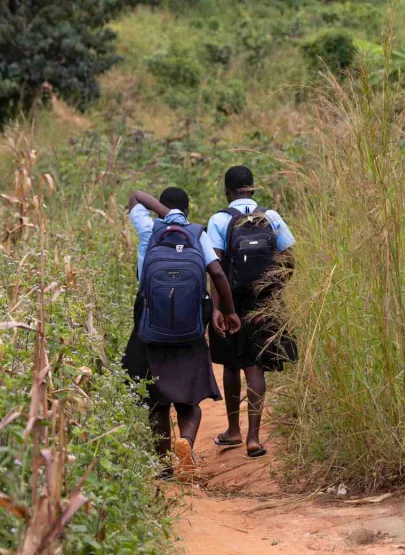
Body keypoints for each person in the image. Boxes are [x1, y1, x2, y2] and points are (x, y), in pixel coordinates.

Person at [121, 187, 241, 478]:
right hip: (189, 330)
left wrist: (163, 214)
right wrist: (228, 310)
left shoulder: (149, 229)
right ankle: (185, 441)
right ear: (187, 209)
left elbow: (136, 196)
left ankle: (164, 469)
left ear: (163, 208)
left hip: (150, 328)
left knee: (155, 402)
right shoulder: (197, 235)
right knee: (190, 401)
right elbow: (218, 274)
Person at [207, 166, 297, 458]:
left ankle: (233, 430)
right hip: (264, 302)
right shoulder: (271, 216)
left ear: (227, 191)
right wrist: (274, 291)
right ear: (252, 189)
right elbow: (290, 260)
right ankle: (254, 439)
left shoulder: (219, 220)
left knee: (232, 365)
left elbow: (216, 269)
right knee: (256, 366)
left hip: (232, 301)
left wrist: (217, 309)